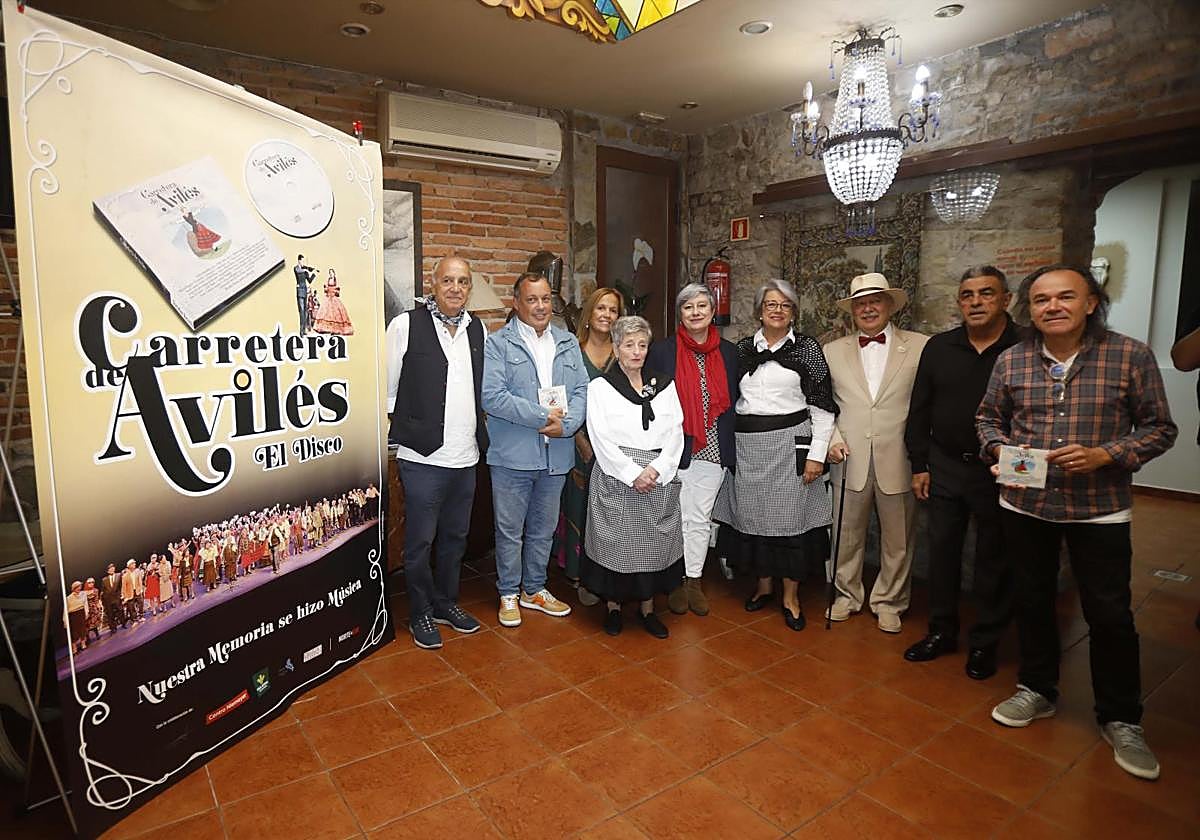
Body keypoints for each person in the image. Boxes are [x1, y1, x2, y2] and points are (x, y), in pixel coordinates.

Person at [977, 264, 1177, 781]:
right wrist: (999, 449)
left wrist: (1106, 455)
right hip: (1027, 506)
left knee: (1108, 613)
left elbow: (1160, 428)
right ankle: (1037, 690)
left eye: (1066, 296)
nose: (1053, 307)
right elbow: (987, 420)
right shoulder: (1013, 361)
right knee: (1032, 599)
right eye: (1041, 299)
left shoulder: (1129, 355)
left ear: (1091, 302)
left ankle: (1121, 717)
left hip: (1100, 508)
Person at [903, 266, 1020, 679]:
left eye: (986, 293)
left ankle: (985, 643)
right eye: (967, 295)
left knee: (993, 558)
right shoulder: (940, 348)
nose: (975, 302)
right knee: (942, 553)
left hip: (1000, 470)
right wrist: (920, 464)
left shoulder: (1023, 347)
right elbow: (919, 409)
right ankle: (941, 632)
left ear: (1006, 299)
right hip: (946, 465)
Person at [713, 279, 837, 630]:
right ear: (759, 310)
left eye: (784, 304)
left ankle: (790, 597)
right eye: (771, 304)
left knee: (790, 523)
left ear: (794, 311)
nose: (777, 310)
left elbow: (824, 409)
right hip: (748, 447)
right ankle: (763, 586)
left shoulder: (808, 349)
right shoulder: (741, 350)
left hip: (790, 445)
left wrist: (816, 455)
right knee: (753, 520)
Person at [386, 254, 488, 649]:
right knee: (420, 543)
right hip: (423, 459)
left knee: (455, 539)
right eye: (448, 280)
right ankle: (421, 612)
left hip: (466, 458)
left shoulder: (477, 329)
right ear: (433, 283)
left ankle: (447, 603)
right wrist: (411, 427)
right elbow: (388, 389)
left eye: (463, 282)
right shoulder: (406, 326)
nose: (455, 289)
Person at [482, 271, 589, 627]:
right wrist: (543, 416)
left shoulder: (568, 342)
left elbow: (582, 392)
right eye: (532, 299)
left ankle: (535, 589)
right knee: (510, 529)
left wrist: (568, 425)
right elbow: (493, 397)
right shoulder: (498, 344)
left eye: (545, 299)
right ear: (517, 303)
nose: (540, 306)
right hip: (513, 455)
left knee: (543, 529)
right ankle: (509, 592)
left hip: (556, 455)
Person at [824, 273, 928, 633]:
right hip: (848, 456)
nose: (867, 308)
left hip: (898, 456)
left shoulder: (920, 347)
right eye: (860, 303)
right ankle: (846, 595)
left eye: (875, 301)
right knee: (845, 534)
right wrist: (832, 438)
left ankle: (889, 601)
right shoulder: (831, 351)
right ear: (852, 310)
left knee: (898, 537)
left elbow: (927, 405)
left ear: (889, 305)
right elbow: (822, 406)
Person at [581, 316, 684, 637]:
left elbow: (676, 432)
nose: (636, 352)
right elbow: (599, 438)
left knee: (652, 546)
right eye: (629, 345)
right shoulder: (600, 387)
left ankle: (648, 609)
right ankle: (613, 608)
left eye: (642, 345)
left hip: (657, 475)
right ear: (616, 348)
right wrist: (632, 474)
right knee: (617, 545)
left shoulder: (665, 385)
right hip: (618, 477)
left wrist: (659, 469)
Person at [647, 283, 740, 617]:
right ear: (680, 314)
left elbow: (734, 404)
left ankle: (694, 580)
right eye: (688, 307)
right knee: (671, 516)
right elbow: (652, 402)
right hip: (675, 448)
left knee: (699, 518)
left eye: (702, 306)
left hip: (714, 447)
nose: (696, 312)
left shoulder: (730, 353)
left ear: (712, 312)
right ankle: (672, 580)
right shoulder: (662, 351)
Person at [552, 286, 624, 604]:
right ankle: (579, 573)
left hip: (615, 447)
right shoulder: (572, 352)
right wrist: (580, 438)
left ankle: (607, 572)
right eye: (601, 308)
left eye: (613, 310)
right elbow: (562, 400)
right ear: (589, 313)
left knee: (610, 512)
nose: (607, 315)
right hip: (579, 445)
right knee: (579, 506)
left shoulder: (623, 353)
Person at [313, 268, 354, 335]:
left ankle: (336, 329)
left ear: (334, 274)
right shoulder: (328, 280)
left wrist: (334, 291)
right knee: (325, 312)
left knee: (336, 312)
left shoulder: (335, 280)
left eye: (332, 273)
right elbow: (326, 290)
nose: (331, 274)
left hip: (333, 298)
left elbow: (337, 291)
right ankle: (327, 329)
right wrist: (326, 289)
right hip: (328, 297)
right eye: (330, 273)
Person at [294, 254, 318, 335]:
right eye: (302, 261)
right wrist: (307, 269)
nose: (303, 263)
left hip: (305, 292)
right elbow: (298, 271)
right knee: (301, 311)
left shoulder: (305, 271)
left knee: (305, 312)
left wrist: (314, 273)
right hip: (300, 291)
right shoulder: (296, 268)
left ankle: (304, 330)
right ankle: (301, 331)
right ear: (299, 261)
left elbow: (310, 280)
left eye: (304, 261)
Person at [66, 581, 88, 654]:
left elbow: (85, 604)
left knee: (82, 630)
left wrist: (86, 613)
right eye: (77, 587)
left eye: (80, 586)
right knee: (74, 632)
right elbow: (65, 610)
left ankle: (83, 644)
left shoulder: (83, 594)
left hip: (81, 613)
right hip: (73, 615)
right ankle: (74, 648)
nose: (79, 588)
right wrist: (65, 621)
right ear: (74, 588)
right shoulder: (68, 598)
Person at [100, 563, 122, 634]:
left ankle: (123, 623)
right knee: (110, 614)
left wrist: (121, 595)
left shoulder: (119, 575)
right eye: (110, 568)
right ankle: (113, 628)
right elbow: (103, 590)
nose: (112, 569)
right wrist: (104, 601)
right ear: (107, 571)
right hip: (108, 600)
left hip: (117, 598)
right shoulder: (104, 580)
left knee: (120, 611)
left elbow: (121, 586)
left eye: (113, 568)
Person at [120, 559, 143, 624]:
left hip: (137, 590)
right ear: (129, 566)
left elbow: (140, 581)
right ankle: (134, 619)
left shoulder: (137, 571)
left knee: (140, 603)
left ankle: (141, 616)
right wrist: (124, 596)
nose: (134, 564)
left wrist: (141, 589)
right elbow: (123, 587)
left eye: (134, 563)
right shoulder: (125, 576)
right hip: (130, 593)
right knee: (131, 606)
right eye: (133, 564)